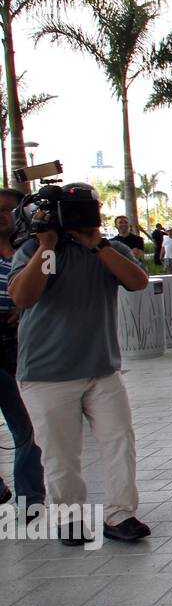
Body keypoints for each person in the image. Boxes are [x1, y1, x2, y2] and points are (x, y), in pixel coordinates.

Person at [9, 183, 153, 543]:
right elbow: (24, 296)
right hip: (46, 375)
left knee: (119, 441)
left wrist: (98, 244)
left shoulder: (108, 250)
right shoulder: (34, 249)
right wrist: (46, 246)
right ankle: (69, 518)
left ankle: (121, 515)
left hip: (102, 370)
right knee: (61, 452)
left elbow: (138, 282)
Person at [0, 188, 44, 514]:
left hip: (21, 346)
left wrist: (25, 309)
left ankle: (30, 499)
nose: (5, 215)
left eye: (10, 210)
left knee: (27, 426)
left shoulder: (27, 250)